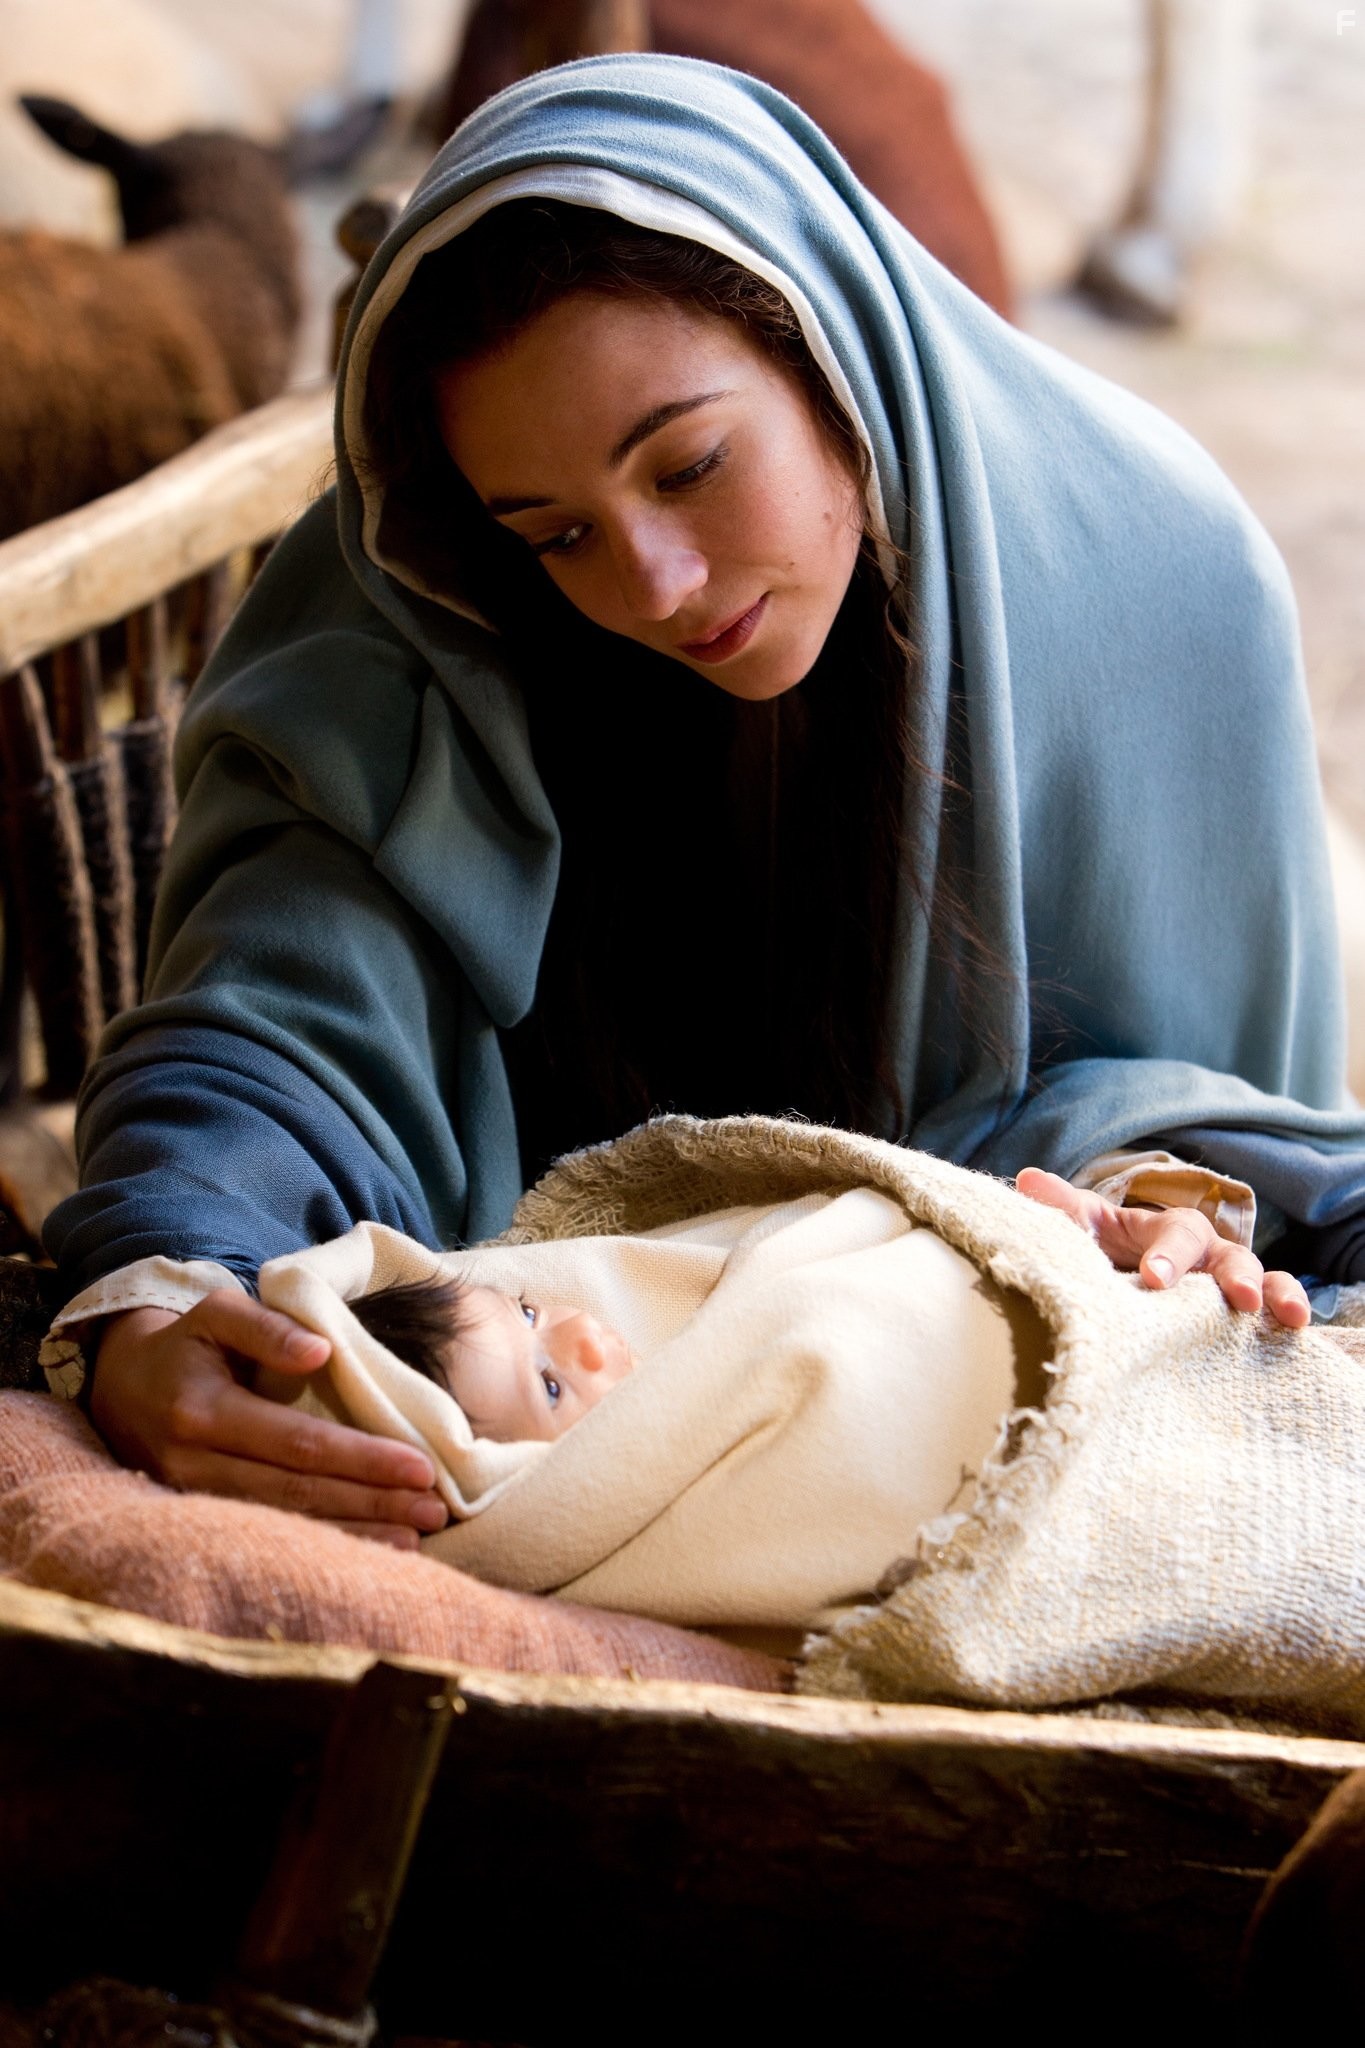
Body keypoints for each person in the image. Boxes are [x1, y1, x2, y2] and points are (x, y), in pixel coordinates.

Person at [45, 55, 1365, 1554]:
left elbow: (1222, 1136)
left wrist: (1150, 1200)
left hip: (980, 1426)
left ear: (830, 352)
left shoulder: (1165, 590)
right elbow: (281, 1018)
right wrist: (164, 1287)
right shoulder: (421, 616)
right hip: (562, 1399)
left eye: (689, 464)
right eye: (556, 534)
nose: (655, 588)